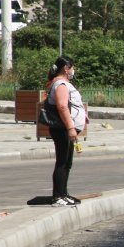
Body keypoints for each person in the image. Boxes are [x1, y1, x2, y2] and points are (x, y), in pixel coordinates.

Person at [44, 55, 87, 207]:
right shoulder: (61, 84)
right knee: (62, 162)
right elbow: (62, 106)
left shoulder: (62, 83)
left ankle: (64, 193)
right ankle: (57, 197)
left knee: (67, 162)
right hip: (62, 128)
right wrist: (70, 127)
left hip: (66, 128)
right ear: (66, 69)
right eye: (72, 68)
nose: (73, 71)